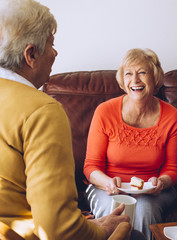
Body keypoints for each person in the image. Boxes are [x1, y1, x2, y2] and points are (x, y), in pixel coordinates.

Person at [0, 0, 145, 239]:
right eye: (51, 44)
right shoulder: (42, 110)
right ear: (31, 54)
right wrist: (102, 231)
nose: (55, 53)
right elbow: (58, 229)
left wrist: (89, 225)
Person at [83, 48, 177, 240]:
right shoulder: (104, 112)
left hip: (152, 190)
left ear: (155, 78)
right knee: (115, 208)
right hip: (106, 186)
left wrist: (161, 182)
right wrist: (107, 183)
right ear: (122, 80)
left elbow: (173, 169)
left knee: (144, 207)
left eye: (142, 73)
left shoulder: (173, 116)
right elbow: (91, 166)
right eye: (129, 74)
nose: (135, 80)